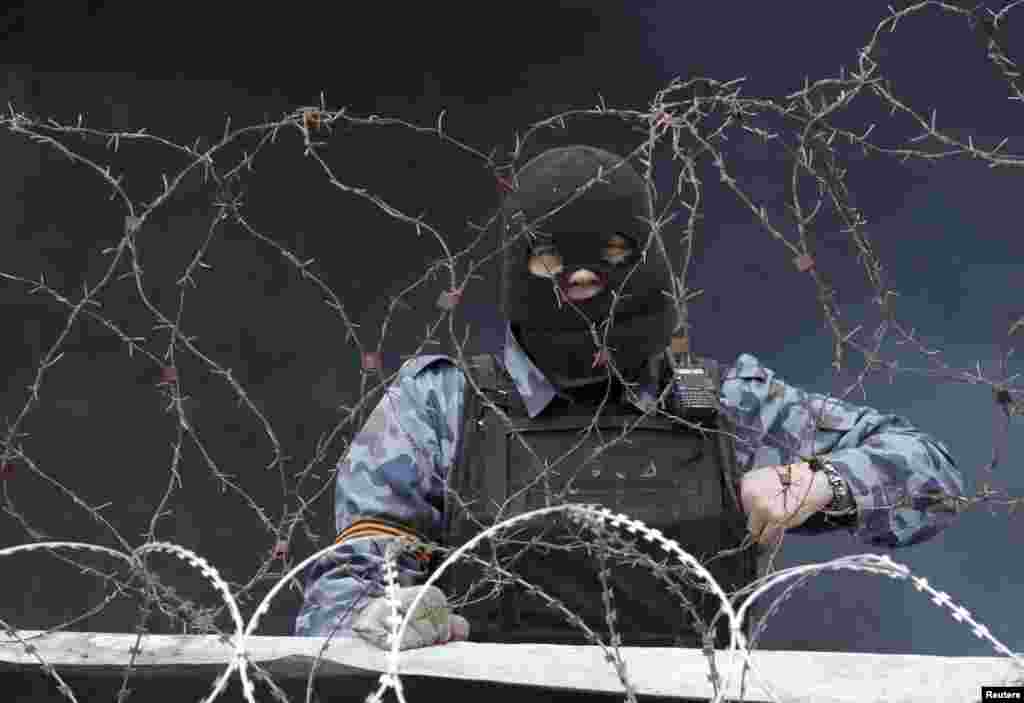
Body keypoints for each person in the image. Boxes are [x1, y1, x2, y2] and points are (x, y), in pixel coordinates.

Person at [293, 145, 965, 650]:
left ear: (647, 259)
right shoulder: (442, 405)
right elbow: (345, 577)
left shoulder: (725, 401)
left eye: (611, 251)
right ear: (518, 265)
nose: (583, 275)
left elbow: (931, 473)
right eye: (553, 258)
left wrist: (821, 481)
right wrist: (376, 617)